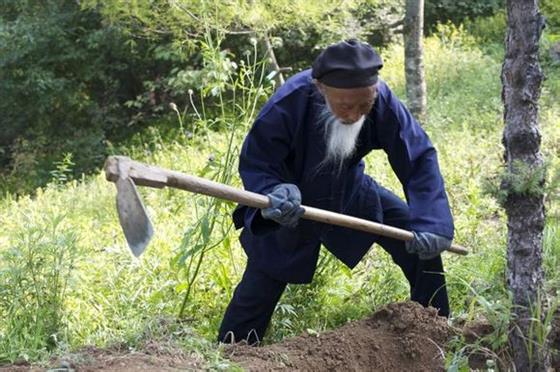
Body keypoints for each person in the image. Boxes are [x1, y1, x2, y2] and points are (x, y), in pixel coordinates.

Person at [218, 39, 454, 344]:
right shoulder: (289, 102)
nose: (355, 114)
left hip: (348, 190)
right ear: (320, 89)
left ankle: (437, 334)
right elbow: (258, 159)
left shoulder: (381, 99)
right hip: (289, 203)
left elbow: (417, 157)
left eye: (364, 106)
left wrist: (432, 222)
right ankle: (230, 354)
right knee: (261, 284)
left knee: (419, 243)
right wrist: (272, 189)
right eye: (345, 106)